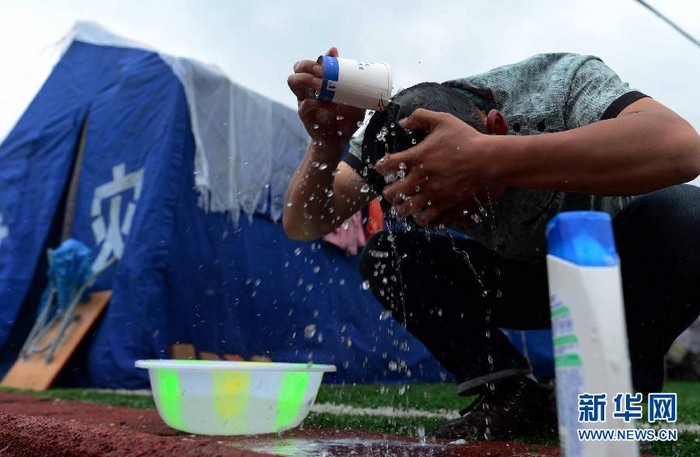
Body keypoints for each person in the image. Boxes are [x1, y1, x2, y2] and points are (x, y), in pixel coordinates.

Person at [284, 47, 700, 439]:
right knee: (388, 256)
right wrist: (328, 142)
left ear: (497, 125)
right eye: (427, 209)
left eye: (458, 200)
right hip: (520, 284)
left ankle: (622, 387)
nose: (447, 219)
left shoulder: (560, 86)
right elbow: (304, 224)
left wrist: (489, 156)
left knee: (687, 212)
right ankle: (513, 394)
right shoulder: (392, 143)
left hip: (616, 279)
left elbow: (683, 148)